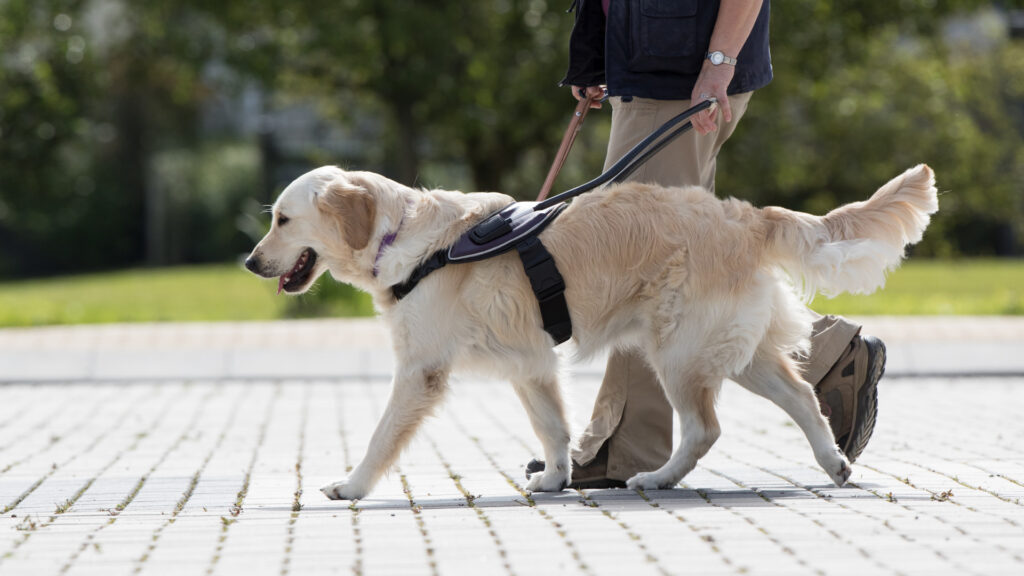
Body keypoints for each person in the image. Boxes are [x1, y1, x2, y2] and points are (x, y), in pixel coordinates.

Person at [527, 0, 886, 488]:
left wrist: (717, 65)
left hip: (681, 79)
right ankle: (829, 356)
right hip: (654, 72)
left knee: (642, 270)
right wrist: (593, 49)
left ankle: (626, 447)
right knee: (688, 271)